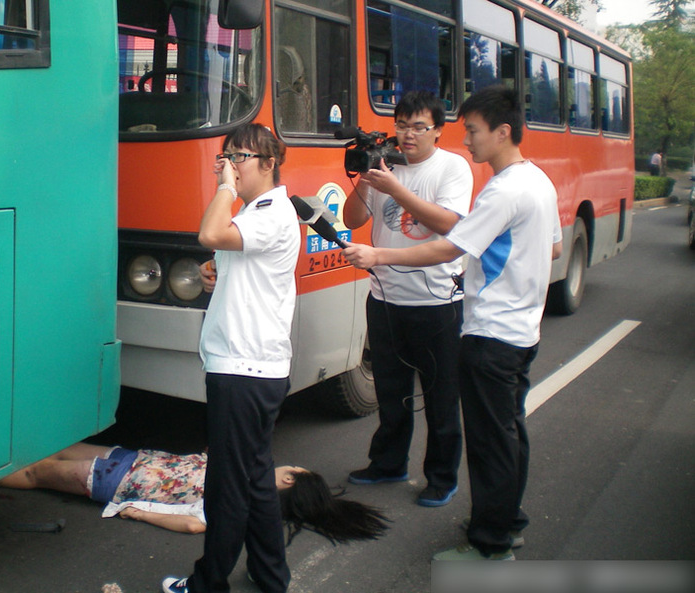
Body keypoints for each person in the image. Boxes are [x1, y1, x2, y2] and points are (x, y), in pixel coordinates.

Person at [342, 86, 562, 561]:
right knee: (507, 435)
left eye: (474, 131)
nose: (469, 142)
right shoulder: (538, 182)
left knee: (487, 441)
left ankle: (490, 542)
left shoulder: (502, 189)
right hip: (519, 327)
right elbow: (555, 248)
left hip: (490, 329)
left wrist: (380, 254)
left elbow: (452, 245)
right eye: (402, 125)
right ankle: (505, 521)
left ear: (503, 132)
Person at [161, 123, 301, 593]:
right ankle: (269, 574)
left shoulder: (269, 210)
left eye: (238, 157)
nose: (230, 166)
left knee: (228, 488)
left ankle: (208, 584)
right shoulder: (257, 212)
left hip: (244, 368)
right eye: (225, 157)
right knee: (256, 478)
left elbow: (209, 233)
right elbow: (227, 257)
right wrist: (214, 274)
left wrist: (223, 189)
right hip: (251, 366)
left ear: (268, 163)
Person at [342, 90, 473, 508]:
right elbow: (352, 220)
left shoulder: (452, 168)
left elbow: (449, 226)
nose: (409, 134)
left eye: (419, 126)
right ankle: (388, 463)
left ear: (438, 130)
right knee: (391, 392)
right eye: (402, 125)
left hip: (437, 303)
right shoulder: (385, 165)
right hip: (384, 298)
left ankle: (440, 477)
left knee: (440, 398)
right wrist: (367, 177)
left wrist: (396, 189)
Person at [0, 443, 390, 543]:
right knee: (50, 455)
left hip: (116, 480)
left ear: (288, 482)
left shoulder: (240, 502)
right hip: (129, 462)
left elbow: (192, 525)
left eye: (291, 470)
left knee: (36, 473)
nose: (286, 466)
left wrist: (139, 512)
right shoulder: (244, 483)